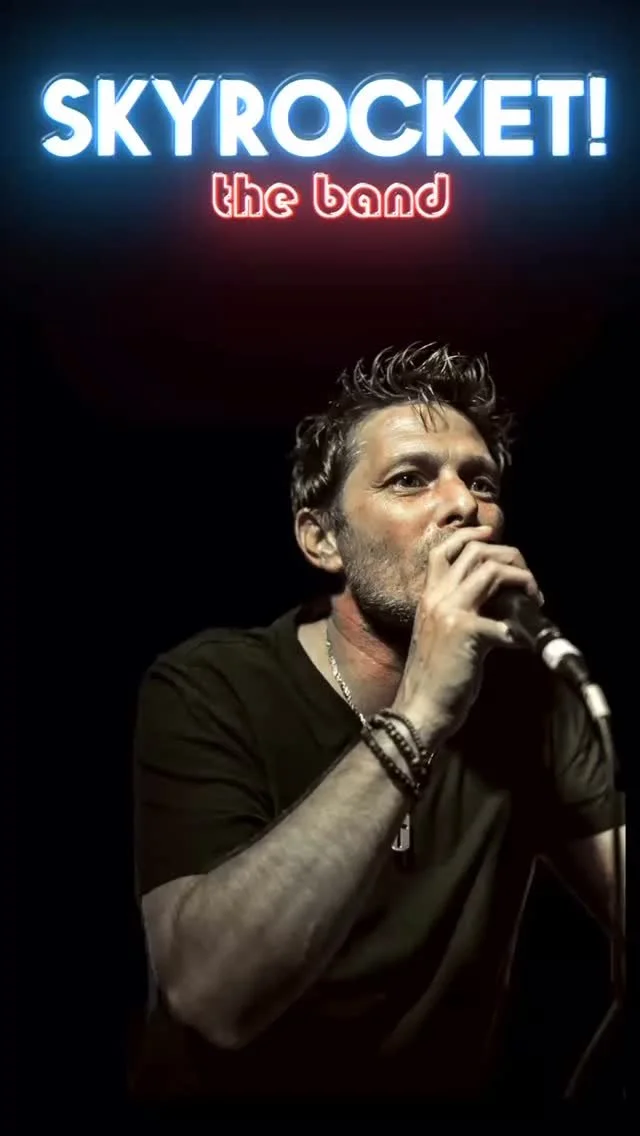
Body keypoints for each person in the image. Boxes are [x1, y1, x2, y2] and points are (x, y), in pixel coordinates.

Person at [131, 342, 625, 1100]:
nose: (463, 506)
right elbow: (210, 996)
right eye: (410, 479)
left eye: (480, 482)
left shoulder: (531, 697)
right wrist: (419, 715)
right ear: (321, 539)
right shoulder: (210, 685)